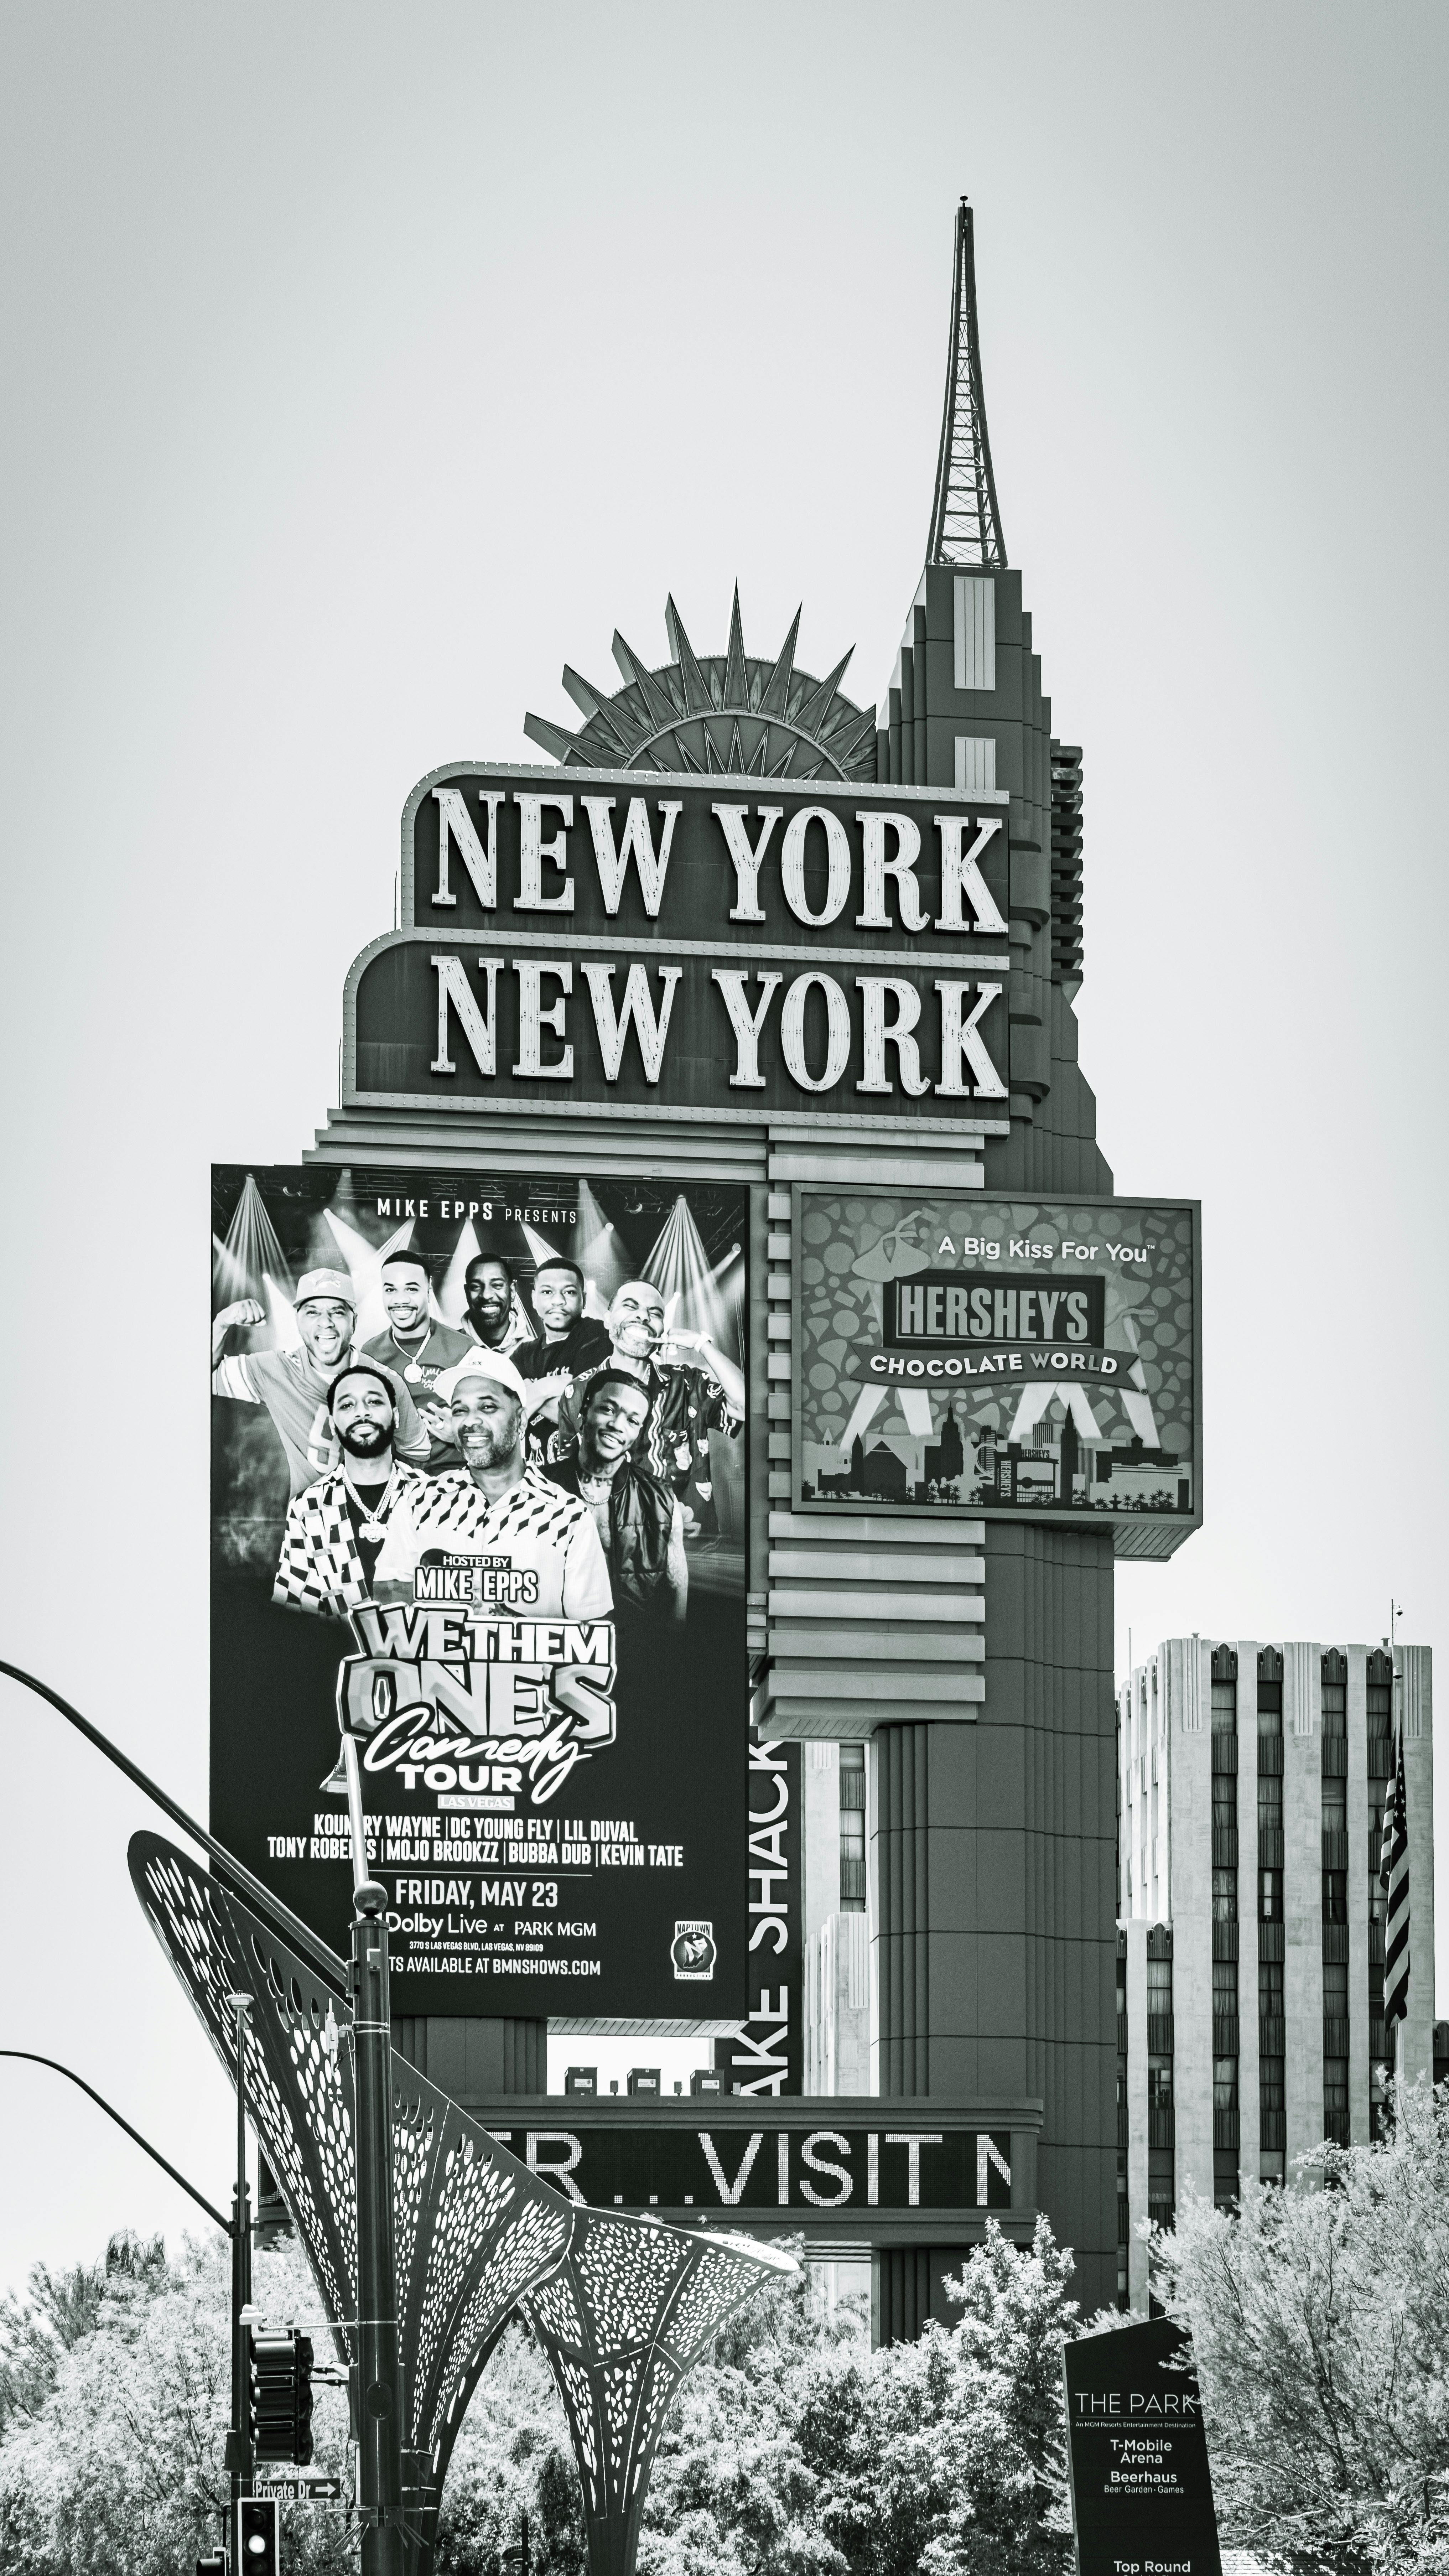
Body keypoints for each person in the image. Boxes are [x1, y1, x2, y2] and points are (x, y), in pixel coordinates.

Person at [373, 1348, 612, 1620]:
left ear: (521, 1420)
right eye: (460, 1410)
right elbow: (388, 1611)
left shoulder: (567, 1516)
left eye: (488, 1407)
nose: (471, 1421)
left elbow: (590, 1635)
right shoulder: (419, 1502)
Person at [212, 1268, 429, 1498]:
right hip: (310, 1523)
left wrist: (395, 1505)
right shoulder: (275, 1369)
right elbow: (199, 1378)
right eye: (313, 1312)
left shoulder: (385, 1381)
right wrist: (221, 1323)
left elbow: (417, 1452)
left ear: (354, 1321)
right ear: (298, 1321)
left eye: (337, 1312)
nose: (326, 1323)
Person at [552, 1278, 744, 1532]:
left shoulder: (686, 1383)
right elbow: (566, 1478)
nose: (643, 1316)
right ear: (608, 1320)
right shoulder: (578, 1391)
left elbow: (743, 1405)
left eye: (654, 1313)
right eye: (631, 1307)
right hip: (605, 1550)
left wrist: (701, 1345)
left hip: (690, 1551)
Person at [273, 1361, 430, 1617]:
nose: (362, 1413)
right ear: (333, 1426)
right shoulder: (308, 1508)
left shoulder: (433, 1497)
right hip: (337, 1653)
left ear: (397, 1416)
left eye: (374, 1402)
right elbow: (295, 1612)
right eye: (347, 1405)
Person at [548, 1371, 686, 1621]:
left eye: (633, 1421)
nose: (618, 1425)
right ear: (585, 1411)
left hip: (634, 1651)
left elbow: (677, 1592)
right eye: (609, 1410)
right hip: (560, 1650)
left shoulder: (662, 1500)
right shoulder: (538, 1487)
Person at [359, 1245, 472, 1468]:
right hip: (394, 1480)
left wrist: (461, 1436)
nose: (400, 1300)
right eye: (391, 1290)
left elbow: (491, 1422)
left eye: (411, 1289)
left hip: (456, 1478)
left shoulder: (464, 1349)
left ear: (428, 1291)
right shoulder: (369, 1354)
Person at [515, 1257, 612, 1382]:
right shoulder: (524, 1353)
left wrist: (532, 1388)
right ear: (534, 1299)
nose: (558, 1301)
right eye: (547, 1292)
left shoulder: (598, 1334)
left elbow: (582, 1395)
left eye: (569, 1292)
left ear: (584, 1300)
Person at [462, 1252, 535, 1359]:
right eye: (476, 1287)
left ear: (513, 1291)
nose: (486, 1296)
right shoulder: (450, 1349)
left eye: (497, 1285)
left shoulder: (535, 1353)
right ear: (467, 1293)